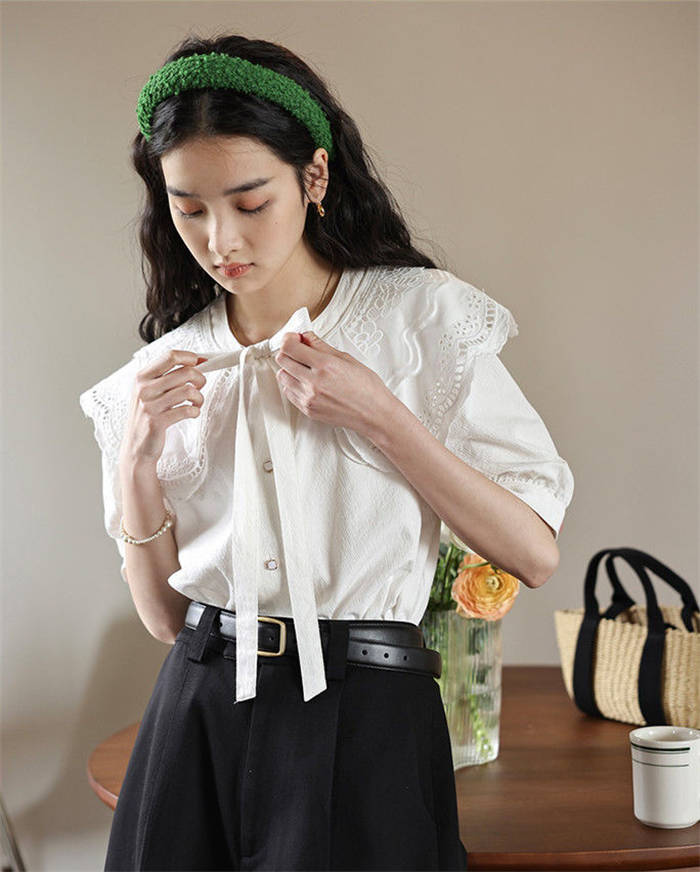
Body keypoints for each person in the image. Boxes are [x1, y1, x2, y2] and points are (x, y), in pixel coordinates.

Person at [79, 32, 574, 872]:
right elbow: (165, 621)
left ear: (314, 177)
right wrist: (135, 461)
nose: (220, 239)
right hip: (197, 712)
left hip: (370, 713)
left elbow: (533, 552)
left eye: (249, 202)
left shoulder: (421, 321)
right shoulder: (157, 375)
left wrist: (382, 416)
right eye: (189, 208)